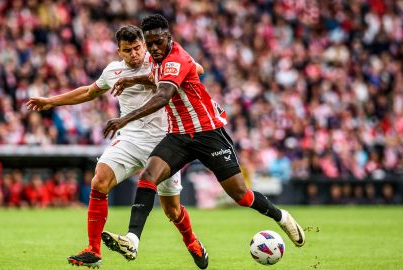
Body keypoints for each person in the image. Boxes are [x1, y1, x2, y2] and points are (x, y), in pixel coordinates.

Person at [102, 14, 306, 267]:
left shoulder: (177, 58)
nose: (154, 48)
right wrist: (133, 78)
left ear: (169, 37)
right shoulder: (157, 60)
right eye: (150, 43)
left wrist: (124, 119)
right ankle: (132, 239)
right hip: (178, 136)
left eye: (158, 42)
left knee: (241, 196)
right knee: (148, 177)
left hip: (208, 134)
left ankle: (281, 216)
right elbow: (161, 76)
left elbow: (163, 95)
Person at [26, 25, 207, 268]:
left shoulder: (162, 61)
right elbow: (89, 92)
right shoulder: (113, 70)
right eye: (127, 50)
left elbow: (198, 69)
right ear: (119, 52)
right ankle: (93, 250)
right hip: (130, 138)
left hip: (166, 141)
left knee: (172, 211)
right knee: (99, 180)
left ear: (144, 45)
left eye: (137, 48)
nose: (134, 54)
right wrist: (51, 101)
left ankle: (192, 241)